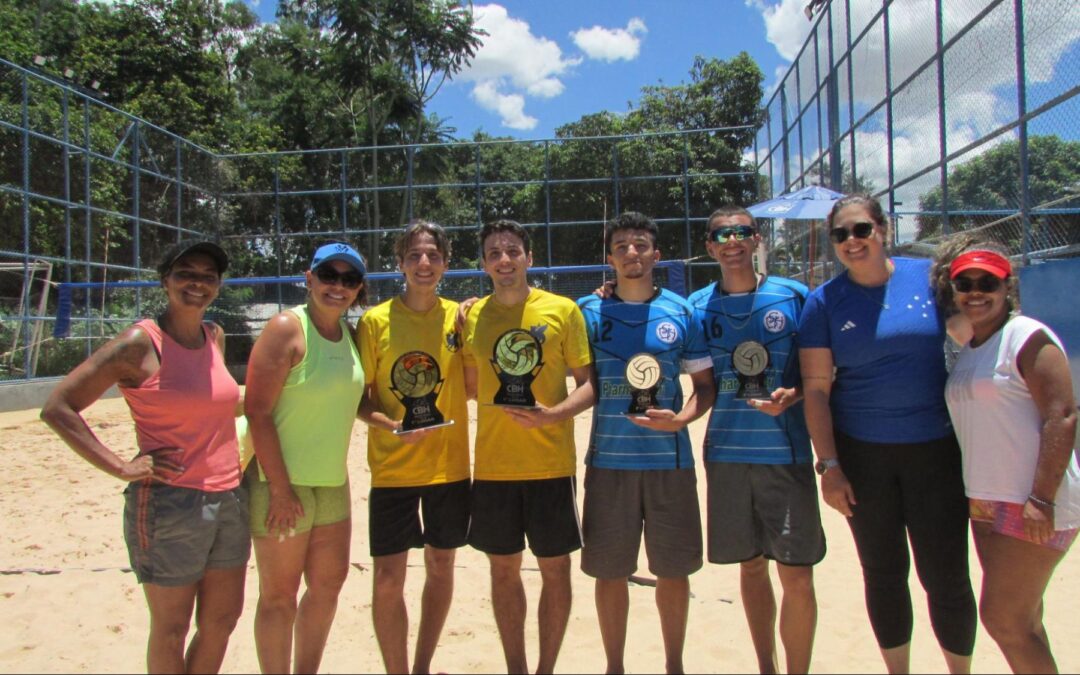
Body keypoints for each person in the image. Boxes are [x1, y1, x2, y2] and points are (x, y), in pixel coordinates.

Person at [41, 239, 248, 674]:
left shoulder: (214, 336)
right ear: (165, 280)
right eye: (185, 272)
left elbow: (220, 405)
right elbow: (58, 407)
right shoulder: (140, 342)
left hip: (230, 495)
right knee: (172, 629)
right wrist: (120, 466)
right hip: (170, 502)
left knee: (221, 622)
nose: (197, 283)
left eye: (208, 276)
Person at [798, 194, 977, 674]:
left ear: (883, 229)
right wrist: (830, 466)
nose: (852, 242)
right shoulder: (824, 302)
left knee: (947, 578)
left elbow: (974, 334)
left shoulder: (930, 279)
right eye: (841, 235)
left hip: (936, 450)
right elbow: (816, 390)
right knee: (883, 573)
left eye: (861, 230)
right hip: (863, 457)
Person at [687, 206, 825, 674]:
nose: (732, 241)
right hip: (726, 456)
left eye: (741, 232)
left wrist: (797, 393)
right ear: (709, 247)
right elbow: (699, 383)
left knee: (798, 575)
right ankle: (766, 665)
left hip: (785, 455)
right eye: (721, 234)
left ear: (756, 239)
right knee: (750, 566)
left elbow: (823, 374)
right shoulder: (696, 307)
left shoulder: (795, 296)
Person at [576, 212, 715, 675]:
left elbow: (705, 385)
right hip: (609, 461)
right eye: (621, 246)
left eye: (640, 245)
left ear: (656, 254)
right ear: (608, 257)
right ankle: (614, 665)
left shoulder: (682, 311)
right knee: (609, 571)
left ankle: (673, 664)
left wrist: (682, 419)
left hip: (669, 462)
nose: (631, 253)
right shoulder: (587, 312)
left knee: (673, 571)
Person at [933, 236, 1079, 674]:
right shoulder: (972, 347)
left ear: (1007, 287)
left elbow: (1063, 416)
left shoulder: (1026, 336)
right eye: (965, 282)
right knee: (1025, 620)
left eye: (987, 282)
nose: (976, 291)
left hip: (1031, 501)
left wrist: (1041, 499)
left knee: (1003, 618)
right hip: (986, 500)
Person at [462, 219, 594, 674]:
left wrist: (554, 415)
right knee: (503, 571)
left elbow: (589, 384)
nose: (504, 259)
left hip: (550, 465)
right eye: (495, 252)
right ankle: (516, 667)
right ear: (483, 264)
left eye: (513, 250)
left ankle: (546, 669)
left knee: (556, 570)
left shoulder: (562, 310)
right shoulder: (472, 316)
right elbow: (469, 384)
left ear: (529, 258)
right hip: (495, 468)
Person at [243, 242, 367, 674]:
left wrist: (385, 420)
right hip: (280, 481)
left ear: (358, 288)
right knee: (279, 597)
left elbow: (348, 399)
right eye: (329, 276)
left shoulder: (349, 335)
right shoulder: (285, 327)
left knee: (328, 587)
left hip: (332, 481)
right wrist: (279, 489)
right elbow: (256, 411)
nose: (338, 286)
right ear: (309, 278)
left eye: (349, 278)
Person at [357, 221, 471, 674]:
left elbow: (473, 383)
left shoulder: (461, 318)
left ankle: (422, 666)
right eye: (414, 256)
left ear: (445, 262)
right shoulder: (374, 321)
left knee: (441, 566)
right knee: (388, 580)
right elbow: (360, 399)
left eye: (433, 255)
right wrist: (390, 423)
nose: (424, 264)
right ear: (400, 262)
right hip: (393, 469)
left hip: (448, 466)